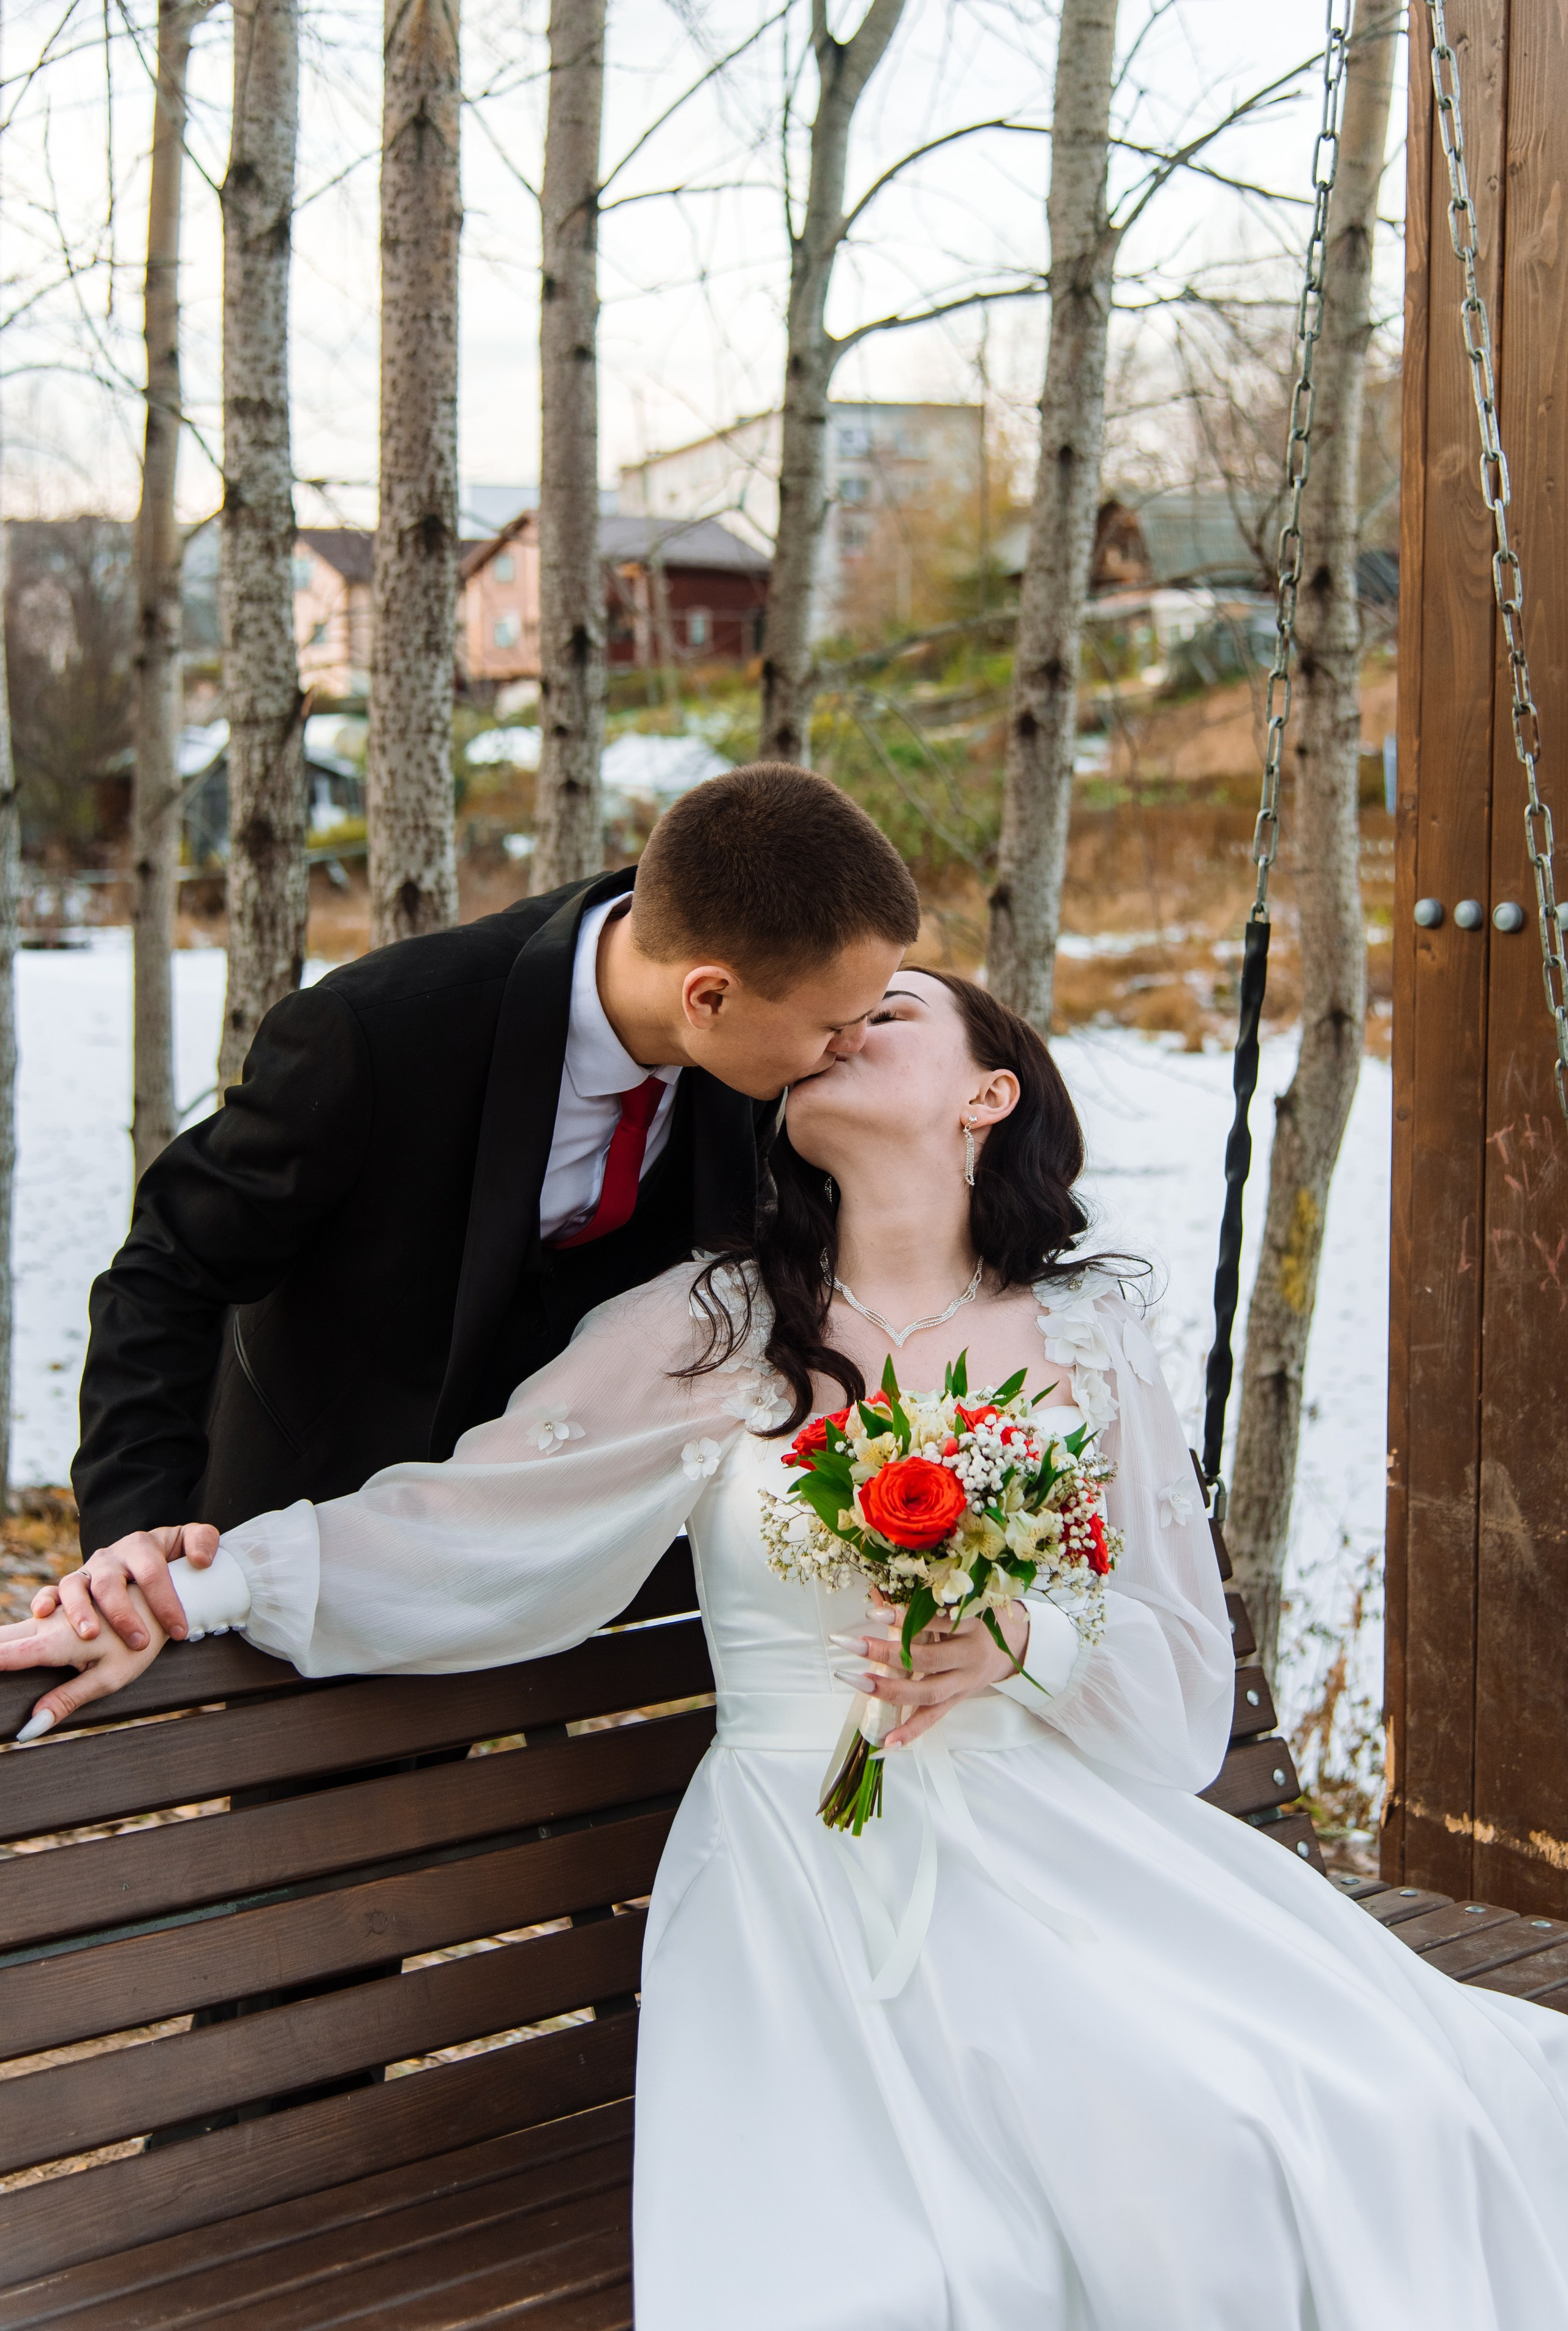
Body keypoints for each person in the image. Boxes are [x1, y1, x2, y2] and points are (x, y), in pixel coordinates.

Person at [7, 970, 1567, 2329]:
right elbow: (465, 1519)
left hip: (1071, 1851)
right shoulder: (711, 1322)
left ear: (986, 1094)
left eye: (885, 1015)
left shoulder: (1084, 1334)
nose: (835, 1034)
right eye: (822, 1021)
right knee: (946, 2255)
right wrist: (195, 1587)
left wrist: (1020, 1630)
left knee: (1364, 2116)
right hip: (804, 1863)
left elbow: (1165, 1678)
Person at [56, 762, 919, 1661]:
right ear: (706, 995)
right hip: (314, 1521)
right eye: (836, 1027)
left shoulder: (759, 1035)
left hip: (570, 1542)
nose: (853, 1049)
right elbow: (167, 1269)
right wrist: (136, 1524)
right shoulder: (381, 1035)